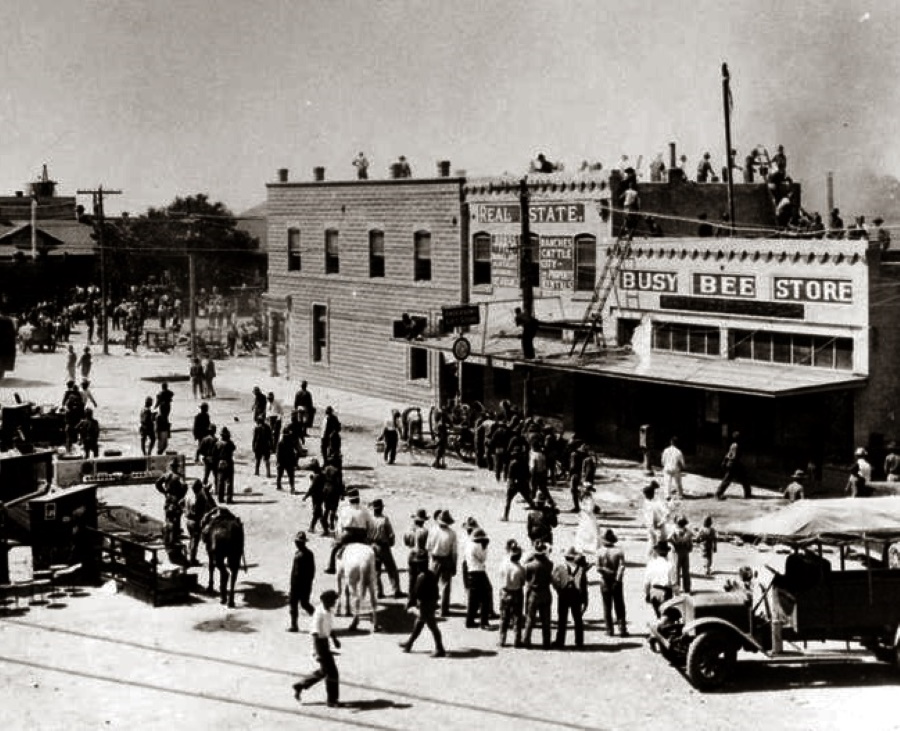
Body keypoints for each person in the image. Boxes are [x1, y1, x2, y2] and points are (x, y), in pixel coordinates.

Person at [292, 589, 342, 708]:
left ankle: (300, 685)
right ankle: (331, 700)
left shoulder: (328, 611)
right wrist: (317, 652)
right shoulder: (319, 613)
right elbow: (314, 633)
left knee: (325, 671)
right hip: (320, 645)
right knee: (333, 673)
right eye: (333, 600)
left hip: (325, 643)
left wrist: (334, 639)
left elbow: (329, 627)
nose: (335, 602)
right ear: (326, 600)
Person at [399, 564, 446, 658]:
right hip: (431, 603)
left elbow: (416, 592)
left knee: (432, 625)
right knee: (419, 623)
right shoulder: (431, 574)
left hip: (425, 604)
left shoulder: (421, 577)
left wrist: (410, 603)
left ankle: (440, 649)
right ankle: (409, 643)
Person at [325, 488, 375, 574]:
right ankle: (374, 566)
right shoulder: (364, 510)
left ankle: (331, 567)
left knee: (334, 548)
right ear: (358, 499)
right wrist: (368, 536)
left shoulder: (344, 510)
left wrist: (338, 536)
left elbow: (339, 526)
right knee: (372, 548)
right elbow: (370, 524)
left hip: (348, 533)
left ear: (349, 500)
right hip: (361, 534)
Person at [552, 547, 587, 648]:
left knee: (562, 618)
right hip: (576, 594)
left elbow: (554, 580)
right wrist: (584, 599)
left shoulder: (560, 567)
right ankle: (579, 641)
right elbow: (583, 584)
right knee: (578, 619)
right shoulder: (580, 569)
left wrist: (558, 589)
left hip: (563, 593)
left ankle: (560, 641)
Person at [425, 509, 458, 617]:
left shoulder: (432, 531)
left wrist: (431, 559)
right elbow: (454, 553)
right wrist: (454, 565)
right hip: (447, 560)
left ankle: (431, 606)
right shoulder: (452, 534)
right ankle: (444, 610)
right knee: (445, 586)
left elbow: (428, 548)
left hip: (434, 559)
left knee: (431, 585)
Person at [522, 539, 554, 649]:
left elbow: (526, 579)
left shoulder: (529, 566)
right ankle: (546, 642)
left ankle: (526, 640)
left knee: (530, 618)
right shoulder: (550, 564)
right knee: (546, 620)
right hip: (546, 592)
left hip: (533, 594)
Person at [596, 528, 627, 636]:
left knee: (607, 606)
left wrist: (606, 572)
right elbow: (622, 566)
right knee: (619, 605)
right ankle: (622, 628)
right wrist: (617, 579)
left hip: (605, 581)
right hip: (616, 581)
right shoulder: (619, 551)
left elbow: (598, 568)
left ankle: (609, 630)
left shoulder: (599, 552)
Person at [370, 498, 404, 599]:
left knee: (376, 570)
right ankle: (396, 590)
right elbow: (391, 534)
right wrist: (391, 543)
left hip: (372, 546)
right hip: (383, 547)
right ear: (381, 508)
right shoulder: (384, 519)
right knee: (391, 569)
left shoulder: (370, 519)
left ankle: (378, 592)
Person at [155, 459, 188, 560]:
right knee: (176, 518)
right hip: (176, 498)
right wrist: (181, 495)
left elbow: (157, 483)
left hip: (168, 497)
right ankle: (175, 536)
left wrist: (164, 492)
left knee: (168, 516)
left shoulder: (166, 475)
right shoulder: (178, 476)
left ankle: (167, 534)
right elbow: (184, 486)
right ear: (176, 467)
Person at [464, 527, 493, 629]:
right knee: (486, 596)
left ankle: (470, 620)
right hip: (479, 572)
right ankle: (484, 621)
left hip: (470, 572)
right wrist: (485, 548)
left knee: (473, 599)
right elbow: (483, 559)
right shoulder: (478, 546)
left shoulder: (469, 545)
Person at [288, 531, 316, 631]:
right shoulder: (308, 554)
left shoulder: (300, 555)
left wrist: (294, 585)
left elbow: (297, 573)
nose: (296, 543)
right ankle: (295, 625)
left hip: (298, 584)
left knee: (296, 604)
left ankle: (295, 625)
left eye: (298, 542)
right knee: (303, 604)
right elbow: (313, 571)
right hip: (305, 584)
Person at [184, 479, 216, 566]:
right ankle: (192, 560)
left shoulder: (188, 496)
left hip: (188, 521)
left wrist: (186, 511)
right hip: (196, 522)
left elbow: (181, 503)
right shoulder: (200, 498)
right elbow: (212, 507)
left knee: (191, 539)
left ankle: (190, 557)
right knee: (195, 540)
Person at [715, 432, 751, 499]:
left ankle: (718, 493)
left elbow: (728, 454)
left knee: (728, 479)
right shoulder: (738, 446)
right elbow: (735, 456)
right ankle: (747, 494)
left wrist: (724, 461)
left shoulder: (733, 445)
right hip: (735, 464)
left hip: (731, 463)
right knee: (743, 478)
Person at [644, 540, 674, 618]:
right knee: (666, 615)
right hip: (665, 592)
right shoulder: (670, 565)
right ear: (667, 552)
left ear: (657, 552)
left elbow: (646, 583)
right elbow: (674, 583)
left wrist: (647, 594)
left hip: (653, 591)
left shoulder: (651, 564)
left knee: (658, 615)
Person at [641, 481, 668, 558]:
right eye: (645, 495)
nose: (645, 496)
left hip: (659, 526)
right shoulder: (646, 501)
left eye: (646, 495)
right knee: (651, 542)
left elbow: (667, 513)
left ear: (651, 494)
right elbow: (646, 514)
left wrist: (662, 522)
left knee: (660, 543)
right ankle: (650, 559)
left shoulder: (658, 502)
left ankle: (660, 559)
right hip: (650, 526)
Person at [669, 516, 693, 593]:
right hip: (684, 552)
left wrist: (673, 544)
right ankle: (687, 588)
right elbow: (690, 543)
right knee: (685, 571)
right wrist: (689, 548)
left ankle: (677, 588)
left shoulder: (674, 531)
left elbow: (669, 539)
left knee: (677, 571)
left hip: (677, 552)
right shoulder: (687, 531)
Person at [213, 426, 237, 503]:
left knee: (220, 481)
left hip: (220, 463)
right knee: (229, 481)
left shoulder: (217, 443)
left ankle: (220, 498)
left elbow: (214, 454)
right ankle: (229, 498)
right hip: (228, 462)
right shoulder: (229, 443)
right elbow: (233, 448)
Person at [276, 426, 300, 494]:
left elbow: (278, 453)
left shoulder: (280, 442)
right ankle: (292, 488)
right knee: (291, 475)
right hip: (289, 461)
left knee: (280, 474)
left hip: (282, 461)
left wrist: (278, 461)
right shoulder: (291, 441)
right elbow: (296, 451)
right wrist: (295, 462)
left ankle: (278, 485)